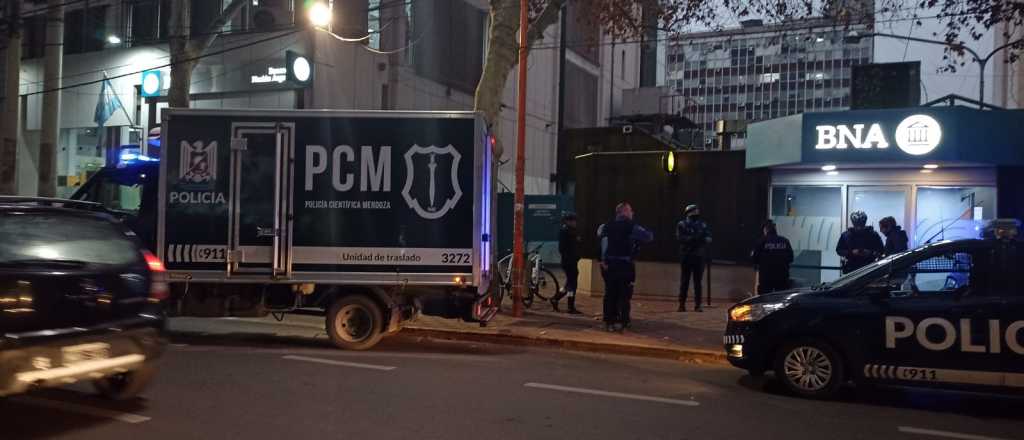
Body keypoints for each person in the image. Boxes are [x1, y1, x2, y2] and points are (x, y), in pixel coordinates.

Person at [598, 202, 654, 332]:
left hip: (610, 265)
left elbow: (602, 242)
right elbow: (648, 237)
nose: (632, 213)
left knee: (610, 293)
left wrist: (603, 261)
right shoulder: (631, 226)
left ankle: (608, 321)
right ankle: (623, 321)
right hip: (625, 265)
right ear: (623, 211)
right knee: (625, 294)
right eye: (630, 210)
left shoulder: (607, 225)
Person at [676, 204, 711, 312]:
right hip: (686, 255)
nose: (696, 213)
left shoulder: (702, 224)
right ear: (688, 212)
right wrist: (695, 239)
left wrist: (702, 239)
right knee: (684, 281)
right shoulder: (682, 224)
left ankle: (698, 305)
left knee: (698, 282)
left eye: (697, 211)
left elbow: (708, 238)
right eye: (694, 211)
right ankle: (681, 304)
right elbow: (681, 238)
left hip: (699, 256)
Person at [751, 219, 794, 294]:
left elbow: (754, 259)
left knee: (764, 299)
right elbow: (791, 258)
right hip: (782, 277)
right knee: (781, 298)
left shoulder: (761, 242)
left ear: (765, 229)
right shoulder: (785, 241)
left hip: (766, 278)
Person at [551, 213, 582, 314]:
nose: (575, 222)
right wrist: (571, 257)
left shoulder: (572, 231)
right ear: (568, 221)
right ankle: (566, 304)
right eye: (573, 221)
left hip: (572, 261)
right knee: (571, 284)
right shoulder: (565, 231)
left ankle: (560, 301)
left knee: (570, 283)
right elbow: (562, 248)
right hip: (569, 262)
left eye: (575, 221)